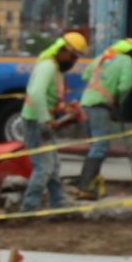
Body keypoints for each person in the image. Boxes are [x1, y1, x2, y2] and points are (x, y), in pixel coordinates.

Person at [18, 33, 86, 213]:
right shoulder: (48, 66)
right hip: (36, 122)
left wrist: (67, 109)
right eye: (72, 56)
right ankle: (29, 208)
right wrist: (46, 120)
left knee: (53, 165)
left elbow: (49, 97)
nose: (74, 61)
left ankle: (58, 204)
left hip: (40, 120)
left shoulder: (54, 68)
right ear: (63, 51)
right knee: (43, 167)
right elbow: (36, 92)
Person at [77, 36, 132, 198]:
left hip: (85, 104)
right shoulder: (127, 61)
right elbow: (125, 85)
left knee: (94, 146)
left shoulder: (102, 57)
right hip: (101, 106)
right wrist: (118, 100)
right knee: (100, 146)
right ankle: (85, 187)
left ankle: (89, 186)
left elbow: (85, 76)